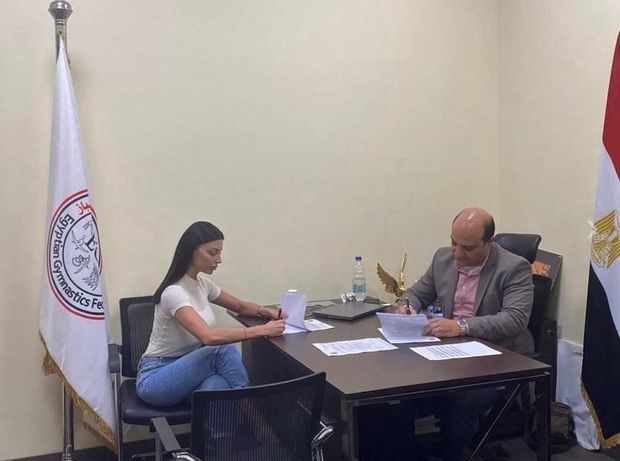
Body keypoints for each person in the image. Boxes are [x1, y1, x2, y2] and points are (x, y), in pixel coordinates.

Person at [396, 207, 534, 461]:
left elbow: (515, 319)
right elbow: (416, 293)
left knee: (463, 401)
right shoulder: (443, 259)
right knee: (398, 392)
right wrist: (408, 306)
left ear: (488, 243)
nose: (457, 253)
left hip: (498, 358)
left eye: (467, 248)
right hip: (451, 353)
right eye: (454, 243)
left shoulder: (514, 268)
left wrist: (461, 326)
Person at [136, 221, 285, 407]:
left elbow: (240, 306)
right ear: (192, 251)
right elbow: (208, 337)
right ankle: (255, 416)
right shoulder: (174, 293)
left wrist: (265, 311)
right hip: (156, 378)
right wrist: (262, 330)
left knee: (217, 385)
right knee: (221, 349)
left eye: (219, 253)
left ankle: (216, 428)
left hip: (189, 371)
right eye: (213, 253)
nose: (219, 260)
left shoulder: (203, 285)